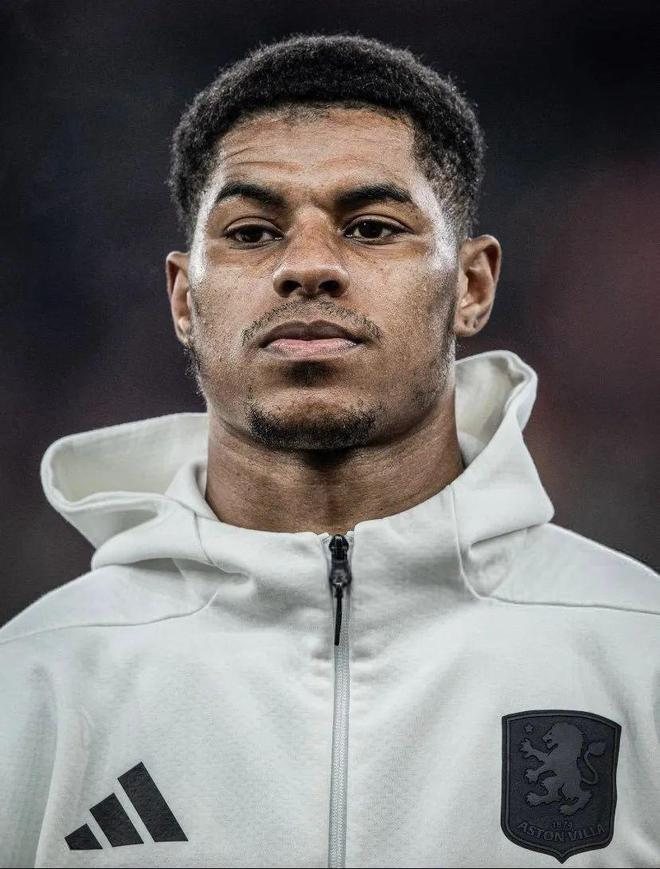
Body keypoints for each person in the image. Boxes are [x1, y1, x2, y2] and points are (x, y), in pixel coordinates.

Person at [1, 33, 658, 869]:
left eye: (372, 227)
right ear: (183, 299)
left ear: (472, 285)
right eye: (251, 232)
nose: (308, 266)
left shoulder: (640, 652)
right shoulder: (34, 683)